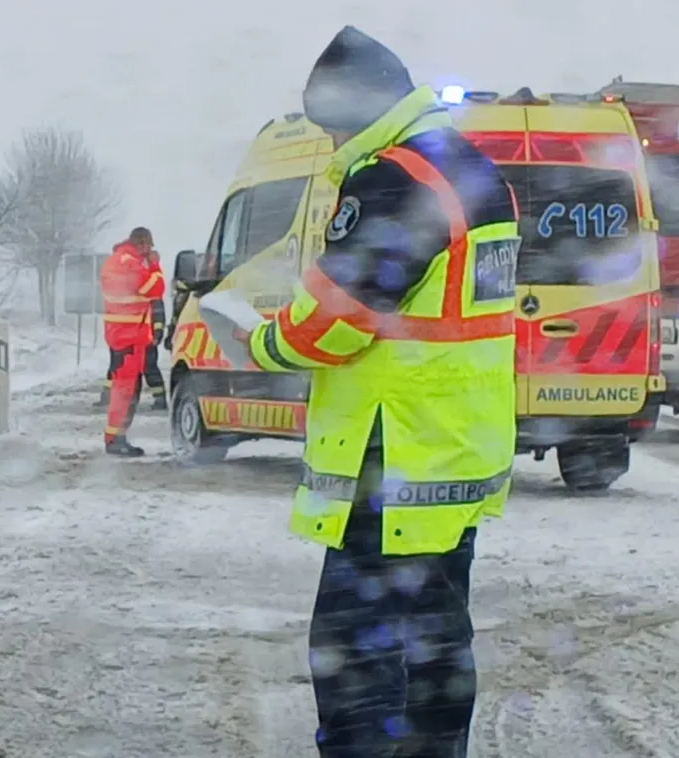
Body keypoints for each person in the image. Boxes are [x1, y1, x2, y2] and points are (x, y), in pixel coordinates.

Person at [231, 26, 519, 758]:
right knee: (434, 644)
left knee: (356, 657)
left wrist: (260, 339)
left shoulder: (398, 176)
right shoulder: (469, 166)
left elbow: (339, 314)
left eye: (329, 127)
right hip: (451, 450)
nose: (329, 145)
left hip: (392, 456)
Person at [100, 227, 166, 456]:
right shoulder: (130, 262)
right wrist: (155, 265)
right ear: (142, 243)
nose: (151, 251)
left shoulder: (114, 260)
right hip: (130, 335)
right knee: (125, 390)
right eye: (150, 246)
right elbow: (155, 289)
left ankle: (116, 436)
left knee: (124, 388)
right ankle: (115, 439)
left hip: (120, 334)